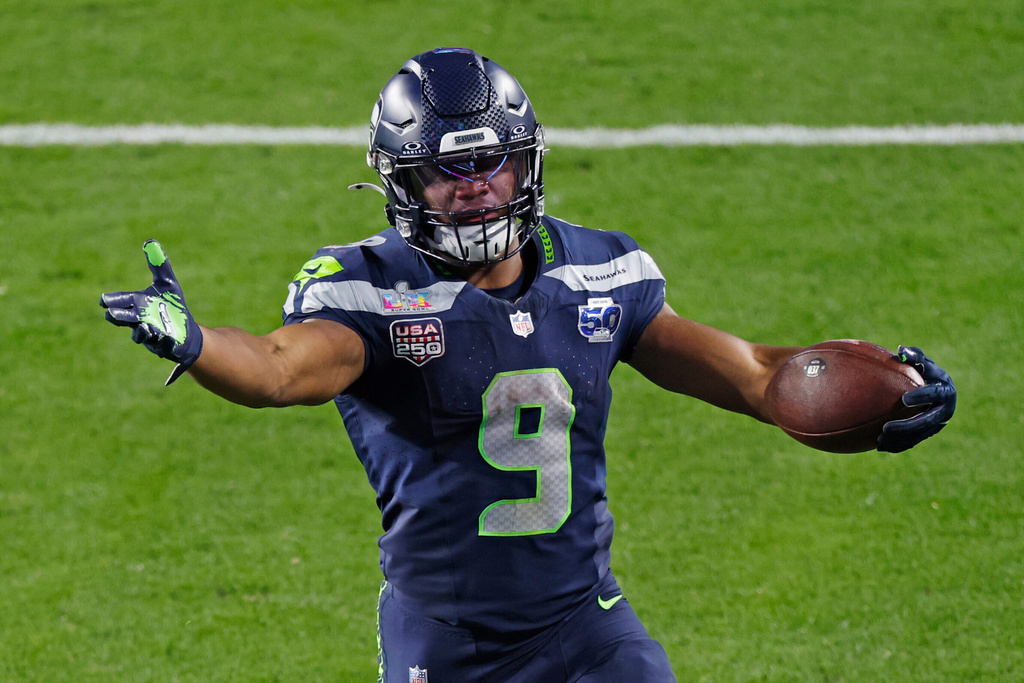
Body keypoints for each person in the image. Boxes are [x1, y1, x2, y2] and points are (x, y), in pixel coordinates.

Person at [101, 47, 956, 682]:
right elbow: (280, 367)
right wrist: (199, 341)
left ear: (526, 161)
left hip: (586, 625)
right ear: (405, 182)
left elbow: (761, 375)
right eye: (447, 171)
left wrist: (887, 388)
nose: (474, 187)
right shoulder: (371, 292)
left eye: (490, 162)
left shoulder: (600, 273)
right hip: (448, 639)